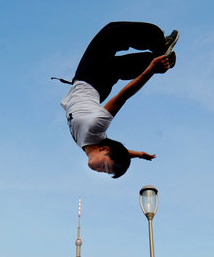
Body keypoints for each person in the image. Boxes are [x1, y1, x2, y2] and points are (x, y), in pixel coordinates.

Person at [59, 21, 179, 178]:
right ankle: (158, 44)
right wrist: (151, 71)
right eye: (104, 166)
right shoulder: (96, 127)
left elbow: (120, 153)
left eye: (104, 171)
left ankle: (161, 59)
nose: (99, 170)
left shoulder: (89, 145)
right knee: (111, 33)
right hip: (90, 77)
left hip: (98, 88)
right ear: (104, 150)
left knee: (119, 67)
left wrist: (138, 155)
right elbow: (125, 94)